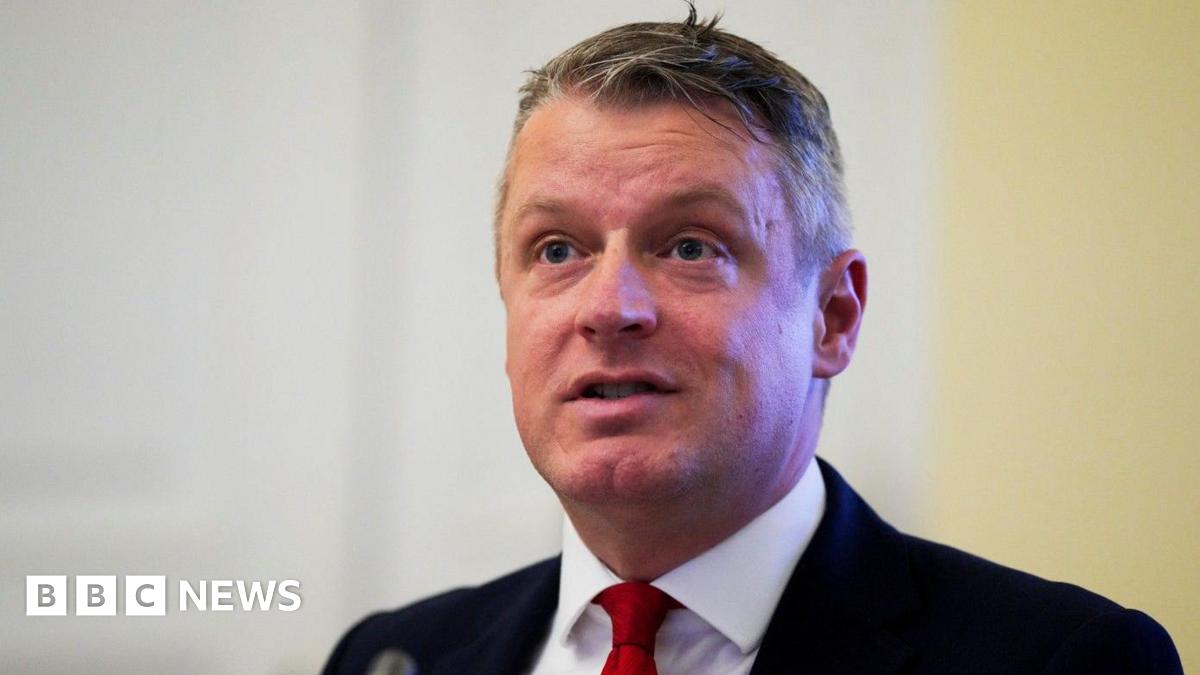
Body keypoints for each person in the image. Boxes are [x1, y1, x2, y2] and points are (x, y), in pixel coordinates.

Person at [324, 10, 1182, 675]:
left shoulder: (1065, 659)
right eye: (558, 250)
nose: (609, 307)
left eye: (691, 245)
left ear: (833, 316)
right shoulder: (393, 656)